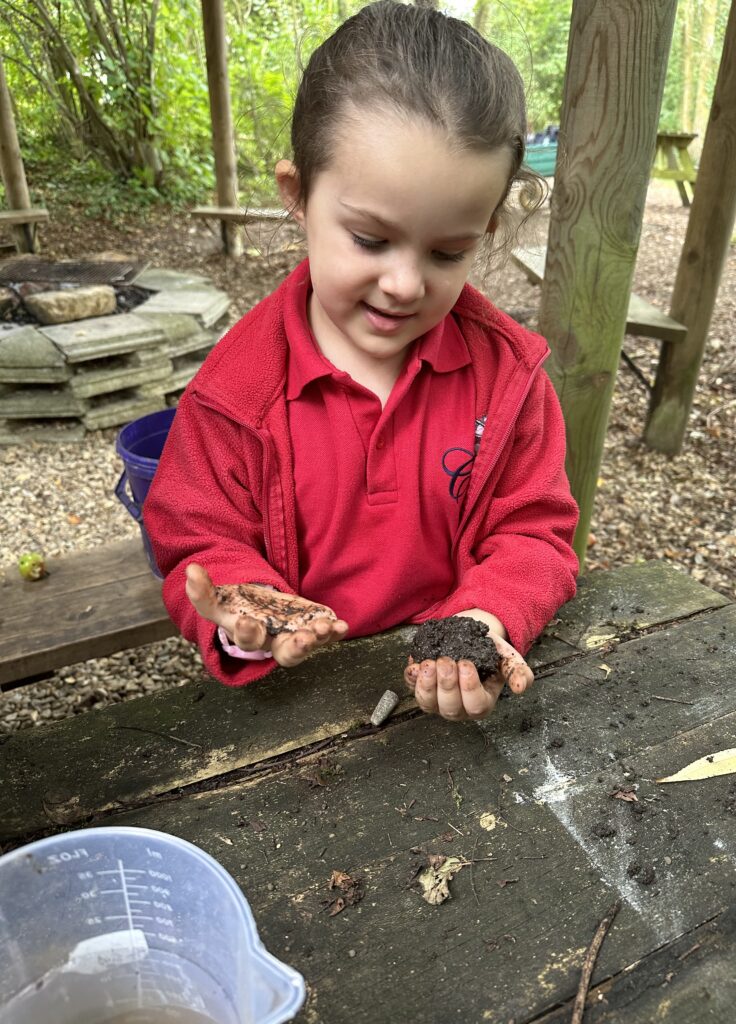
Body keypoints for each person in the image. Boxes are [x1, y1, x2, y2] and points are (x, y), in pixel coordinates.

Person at [143, 0, 580, 722]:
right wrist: (251, 609)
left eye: (448, 252)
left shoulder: (508, 378)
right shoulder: (233, 396)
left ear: (487, 229)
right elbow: (199, 536)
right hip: (292, 703)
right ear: (297, 197)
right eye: (371, 240)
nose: (406, 284)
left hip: (447, 690)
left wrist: (485, 617)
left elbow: (534, 531)